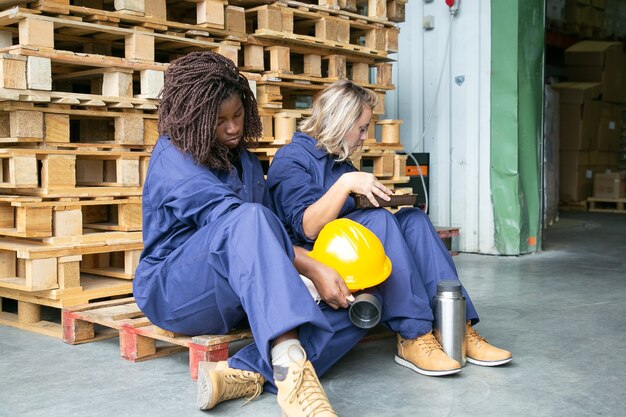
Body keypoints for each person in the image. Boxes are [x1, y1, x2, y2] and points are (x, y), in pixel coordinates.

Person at [133, 52, 365, 417]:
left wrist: (320, 276)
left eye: (238, 115)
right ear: (195, 117)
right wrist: (313, 268)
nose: (232, 128)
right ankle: (293, 375)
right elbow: (237, 221)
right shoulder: (173, 155)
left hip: (236, 292)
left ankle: (243, 373)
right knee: (249, 217)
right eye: (220, 121)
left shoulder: (244, 161)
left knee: (360, 304)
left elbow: (269, 235)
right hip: (175, 291)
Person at [267, 79, 513, 376]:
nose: (364, 137)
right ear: (340, 123)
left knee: (413, 219)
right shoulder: (291, 159)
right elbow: (308, 228)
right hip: (312, 259)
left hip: (350, 248)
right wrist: (348, 185)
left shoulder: (341, 163)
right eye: (361, 128)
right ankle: (413, 335)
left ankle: (457, 328)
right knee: (379, 221)